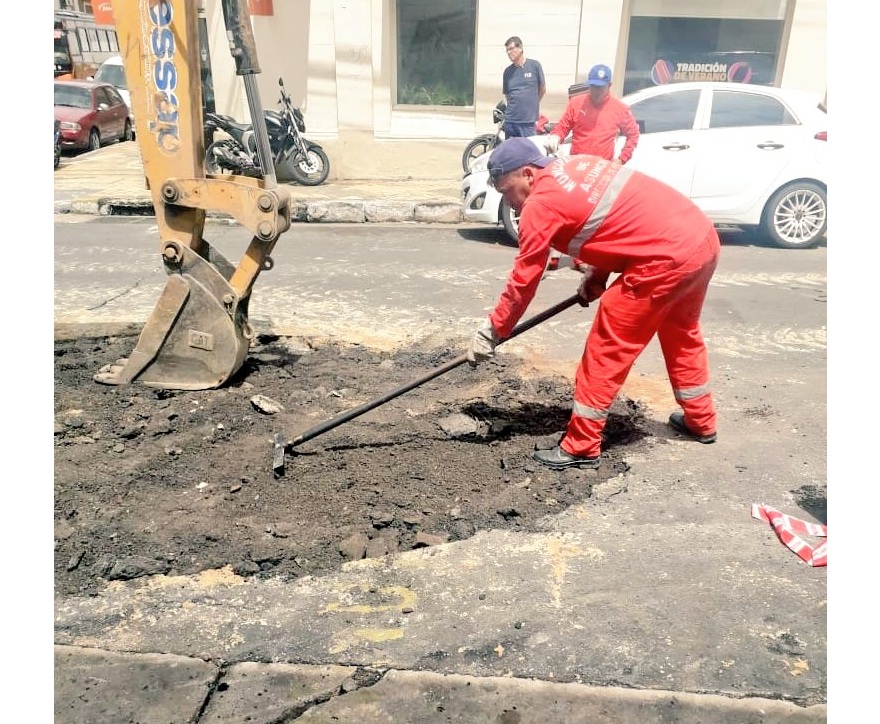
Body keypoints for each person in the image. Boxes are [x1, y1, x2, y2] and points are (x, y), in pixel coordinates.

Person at [465, 137, 720, 470]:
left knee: (607, 346)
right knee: (681, 331)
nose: (508, 202)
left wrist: (493, 330)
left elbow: (525, 278)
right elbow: (617, 224)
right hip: (700, 239)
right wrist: (596, 277)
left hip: (664, 256)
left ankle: (582, 444)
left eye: (505, 190)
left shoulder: (540, 204)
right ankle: (701, 420)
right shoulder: (574, 165)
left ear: (527, 173)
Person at [543, 63, 640, 271]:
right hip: (577, 167)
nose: (596, 92)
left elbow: (633, 135)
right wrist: (555, 137)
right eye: (593, 87)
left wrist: (621, 160)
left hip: (601, 172)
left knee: (590, 218)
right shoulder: (577, 103)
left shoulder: (620, 109)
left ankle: (582, 257)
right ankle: (555, 252)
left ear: (609, 86)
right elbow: (563, 125)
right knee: (566, 211)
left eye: (600, 88)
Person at [502, 36, 546, 138]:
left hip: (528, 122)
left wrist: (532, 103)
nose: (509, 52)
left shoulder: (534, 66)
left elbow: (542, 89)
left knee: (529, 151)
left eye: (511, 49)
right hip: (511, 121)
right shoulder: (507, 72)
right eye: (507, 50)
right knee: (511, 152)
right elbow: (508, 96)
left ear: (520, 48)